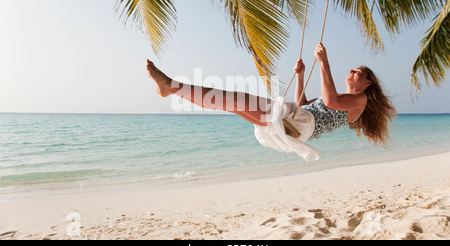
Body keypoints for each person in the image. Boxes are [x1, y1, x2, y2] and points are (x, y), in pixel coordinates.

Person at [146, 43, 396, 160]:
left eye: (357, 72)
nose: (351, 72)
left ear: (367, 83)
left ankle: (171, 87)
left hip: (300, 125)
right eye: (351, 70)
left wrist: (324, 63)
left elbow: (328, 100)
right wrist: (300, 76)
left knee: (235, 100)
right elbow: (303, 103)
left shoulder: (359, 99)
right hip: (298, 122)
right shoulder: (347, 98)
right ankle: (171, 88)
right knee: (232, 103)